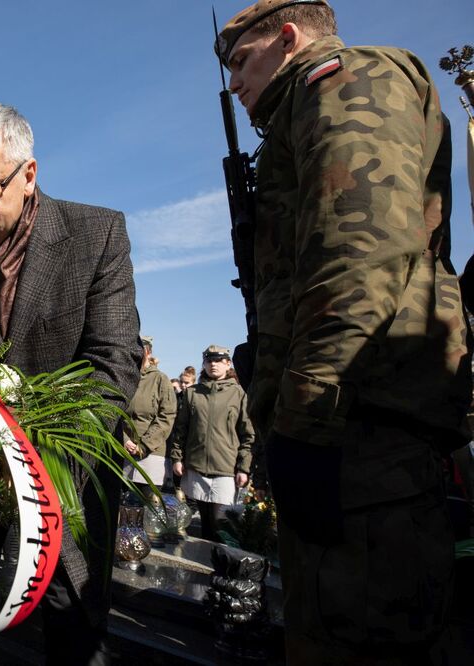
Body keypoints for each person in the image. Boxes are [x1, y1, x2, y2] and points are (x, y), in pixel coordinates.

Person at [216, 1, 471, 662]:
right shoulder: (302, 110)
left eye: (242, 61)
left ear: (290, 37)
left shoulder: (342, 77)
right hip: (346, 431)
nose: (235, 83)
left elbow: (361, 257)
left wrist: (302, 420)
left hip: (358, 434)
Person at [0, 100, 141, 665]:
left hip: (67, 478)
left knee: (72, 613)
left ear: (29, 174)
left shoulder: (96, 233)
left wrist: (37, 467)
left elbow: (112, 363)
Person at [170, 345, 253, 541]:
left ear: (227, 363)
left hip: (226, 468)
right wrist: (177, 457)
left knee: (222, 525)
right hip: (197, 465)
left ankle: (222, 564)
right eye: (209, 360)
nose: (213, 364)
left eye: (218, 360)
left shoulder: (239, 394)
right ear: (204, 364)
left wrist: (244, 467)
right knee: (204, 522)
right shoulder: (193, 393)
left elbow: (247, 434)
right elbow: (181, 429)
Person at [123, 337, 177, 498]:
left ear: (148, 352)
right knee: (123, 510)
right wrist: (124, 440)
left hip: (151, 454)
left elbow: (166, 416)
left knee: (146, 509)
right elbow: (114, 413)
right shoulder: (124, 377)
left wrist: (144, 445)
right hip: (123, 451)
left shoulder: (160, 379)